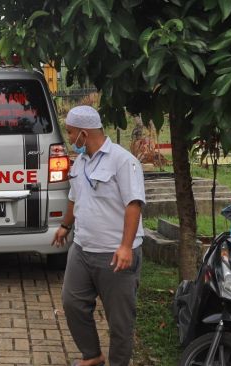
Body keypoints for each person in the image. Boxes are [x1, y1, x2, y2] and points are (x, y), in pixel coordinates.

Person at [52, 105, 146, 366]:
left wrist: (126, 246)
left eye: (71, 133)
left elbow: (134, 204)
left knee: (120, 321)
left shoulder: (123, 160)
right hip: (83, 249)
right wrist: (65, 227)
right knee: (72, 303)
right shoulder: (80, 162)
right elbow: (74, 197)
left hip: (115, 255)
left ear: (84, 132)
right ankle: (92, 356)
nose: (69, 138)